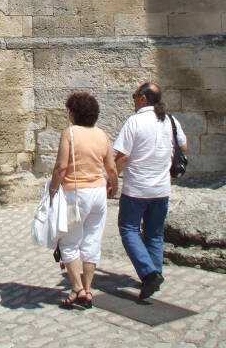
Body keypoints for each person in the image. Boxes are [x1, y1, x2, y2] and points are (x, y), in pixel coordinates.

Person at [114, 82, 187, 299]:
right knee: (154, 234)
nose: (134, 100)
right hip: (161, 188)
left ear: (143, 98)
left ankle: (149, 274)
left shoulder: (135, 121)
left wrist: (110, 180)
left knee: (128, 229)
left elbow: (123, 156)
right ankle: (156, 273)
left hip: (137, 189)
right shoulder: (170, 120)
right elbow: (184, 146)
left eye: (134, 96)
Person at [48, 91, 118, 309]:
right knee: (92, 241)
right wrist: (113, 185)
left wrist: (52, 190)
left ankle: (77, 288)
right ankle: (88, 290)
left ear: (73, 113)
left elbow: (60, 167)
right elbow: (111, 168)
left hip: (74, 195)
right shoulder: (102, 135)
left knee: (69, 242)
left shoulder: (69, 134)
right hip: (98, 193)